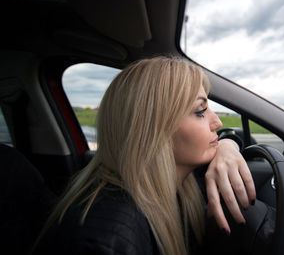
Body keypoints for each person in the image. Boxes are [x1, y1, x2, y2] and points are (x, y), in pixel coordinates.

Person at [34, 56, 256, 255]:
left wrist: (227, 146)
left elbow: (231, 136)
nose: (217, 122)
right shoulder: (110, 237)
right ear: (153, 129)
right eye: (200, 111)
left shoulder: (177, 181)